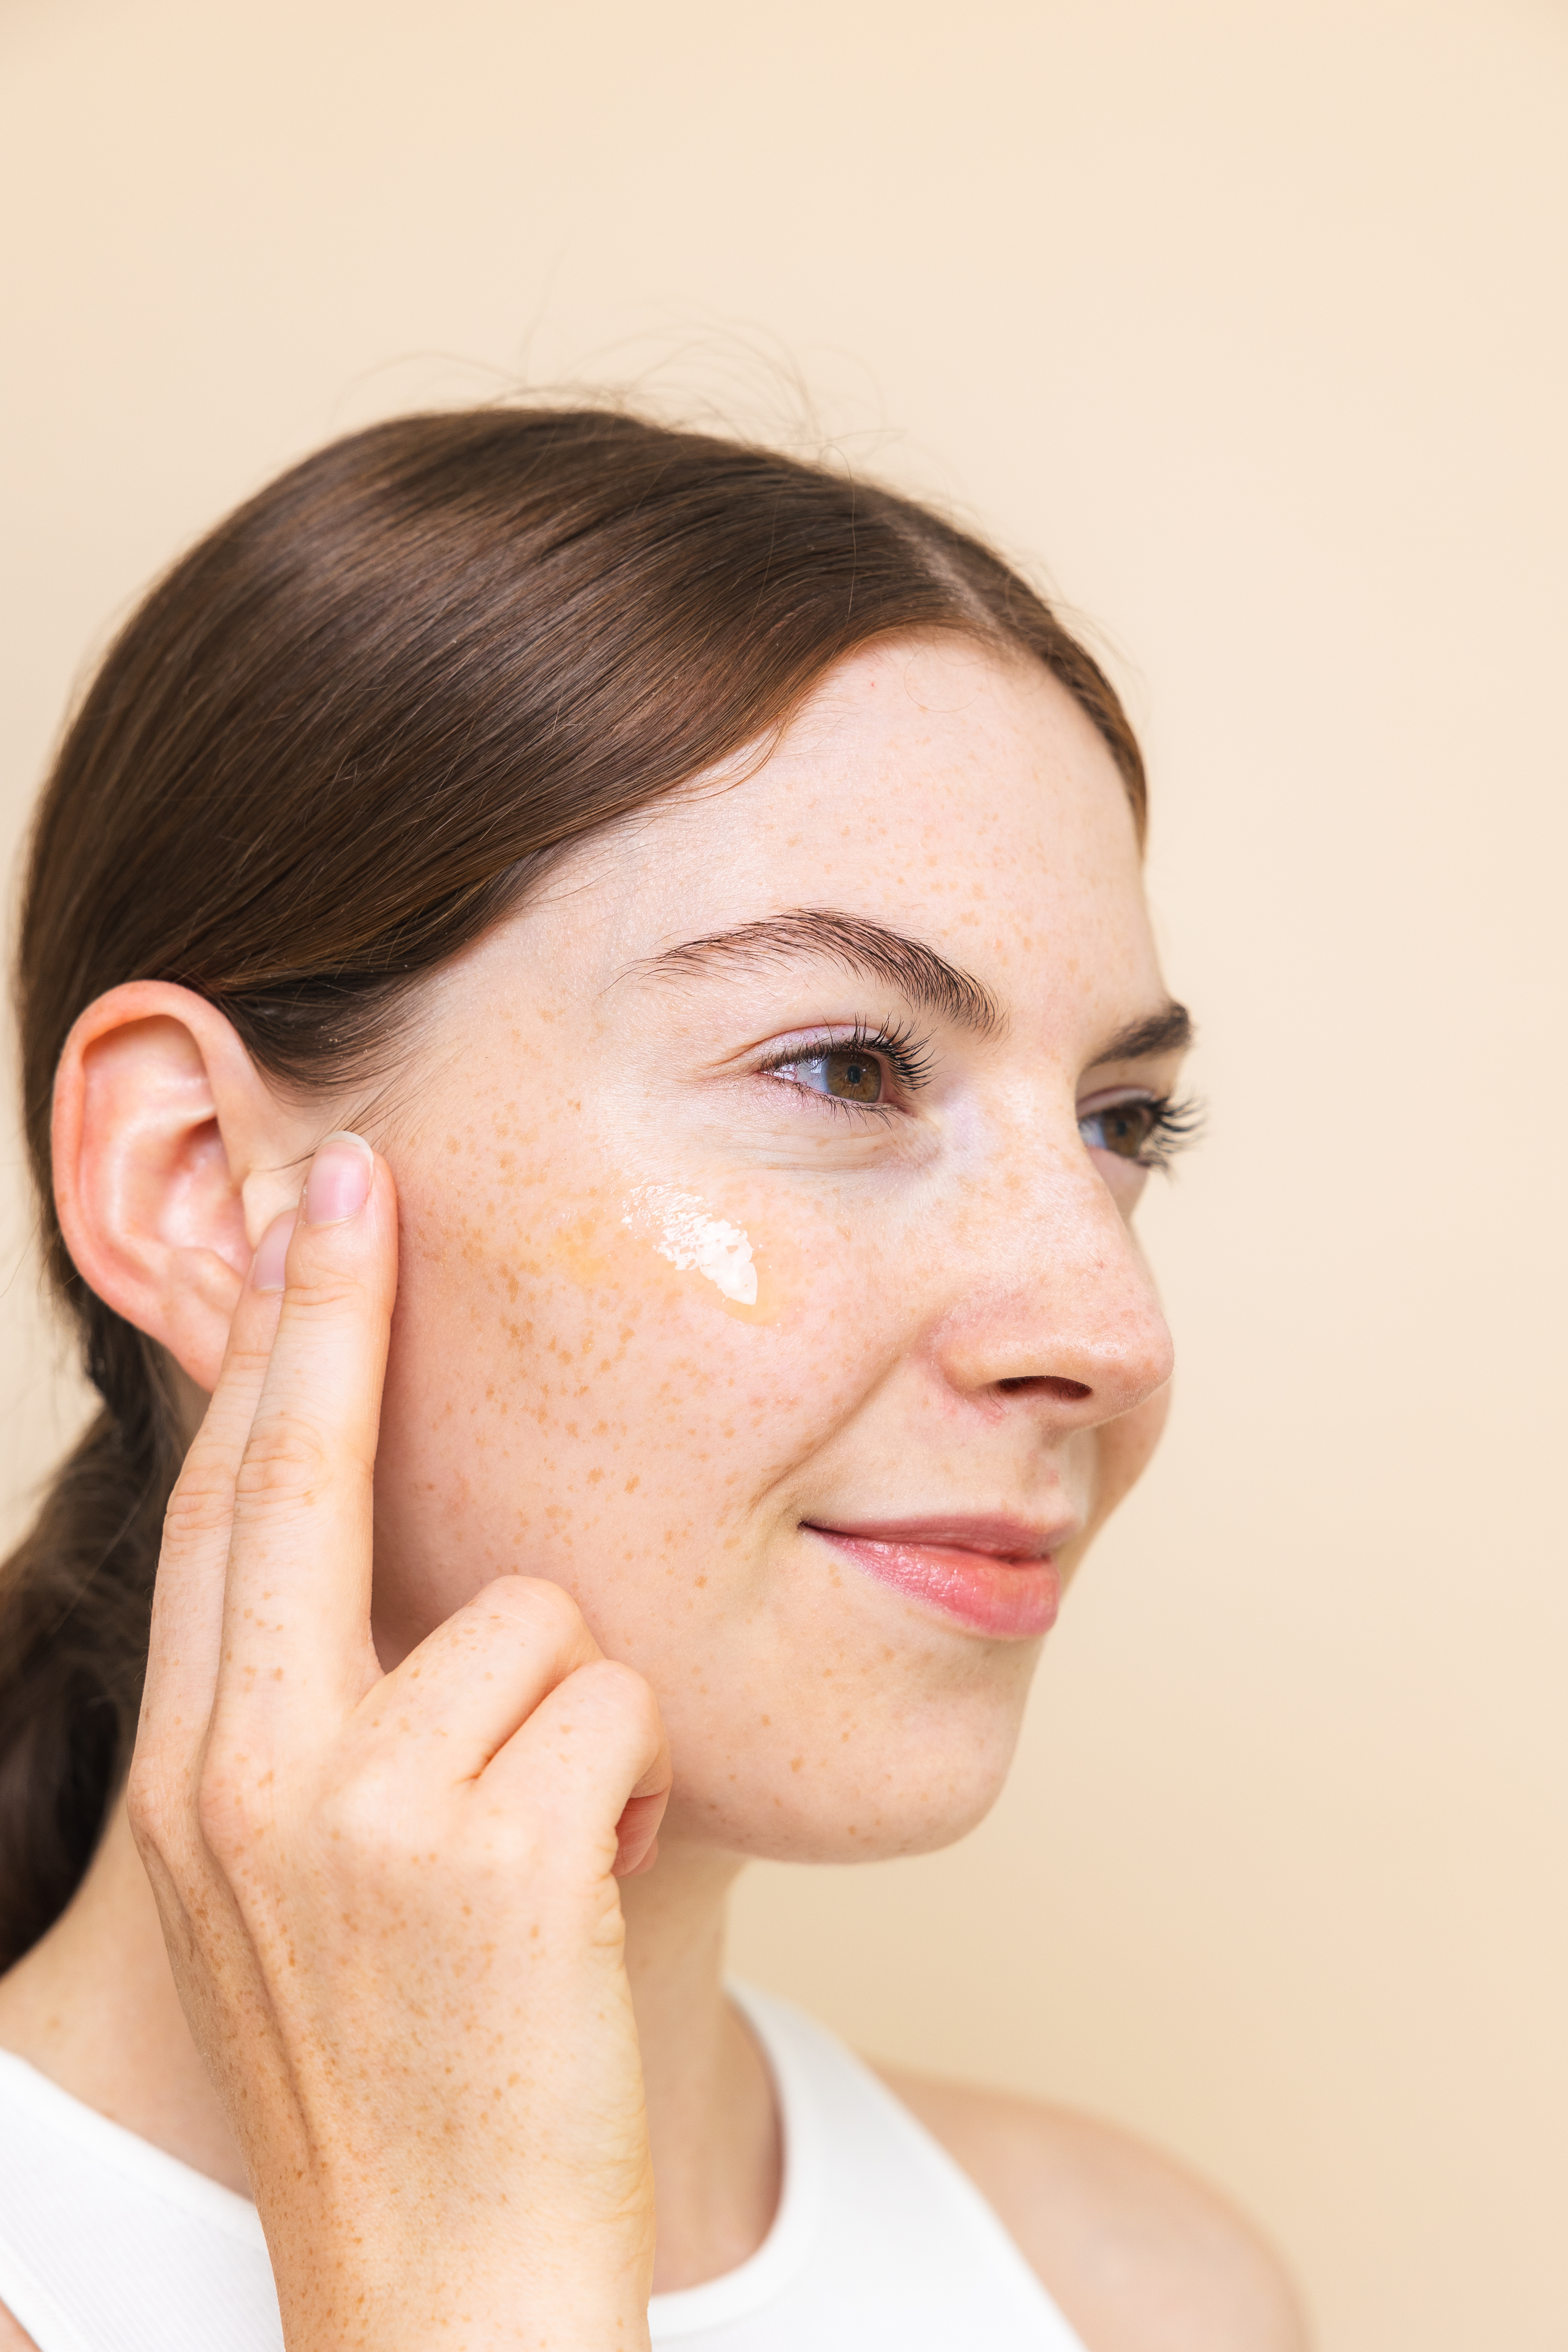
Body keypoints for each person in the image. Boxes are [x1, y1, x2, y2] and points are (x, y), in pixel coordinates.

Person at [0, 408, 1305, 2351]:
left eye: (1125, 1124)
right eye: (845, 1068)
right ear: (199, 1185)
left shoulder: (1141, 2297)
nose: (1108, 1335)